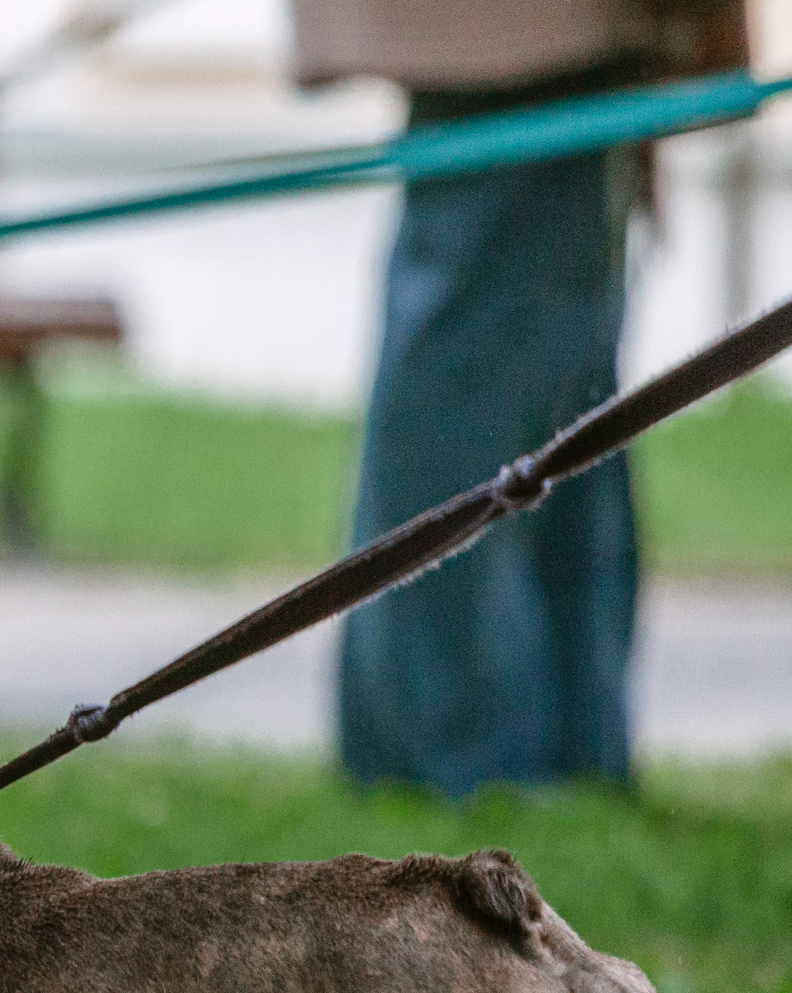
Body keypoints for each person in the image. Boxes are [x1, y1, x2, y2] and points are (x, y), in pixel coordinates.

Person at [291, 0, 746, 795]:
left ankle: (556, 750)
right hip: (514, 39)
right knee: (477, 374)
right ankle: (464, 756)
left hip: (568, 46)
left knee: (564, 387)